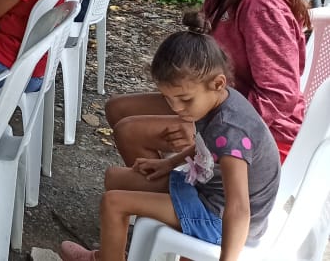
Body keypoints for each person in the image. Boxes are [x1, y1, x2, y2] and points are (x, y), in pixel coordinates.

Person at [59, 17, 280, 261]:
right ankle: (115, 252)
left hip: (220, 219)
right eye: (168, 98)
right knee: (114, 177)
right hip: (207, 193)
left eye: (184, 100)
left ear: (218, 83)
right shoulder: (218, 101)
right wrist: (169, 163)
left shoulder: (232, 133)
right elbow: (207, 145)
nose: (176, 108)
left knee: (113, 203)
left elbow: (238, 209)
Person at [105, 0, 308, 163]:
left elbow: (280, 96)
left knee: (131, 131)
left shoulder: (261, 5)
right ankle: (171, 182)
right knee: (118, 108)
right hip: (216, 103)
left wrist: (212, 126)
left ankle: (182, 188)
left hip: (265, 133)